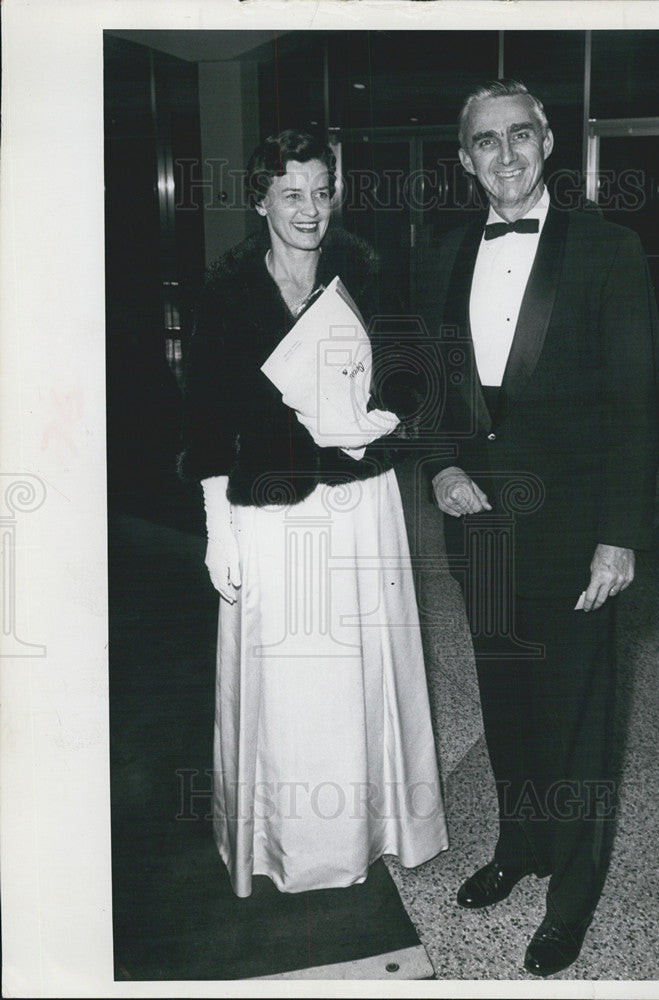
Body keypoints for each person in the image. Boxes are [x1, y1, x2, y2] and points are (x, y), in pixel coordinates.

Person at [422, 81, 659, 976]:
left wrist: (621, 533)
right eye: (487, 142)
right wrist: (440, 465)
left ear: (549, 140)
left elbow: (636, 401)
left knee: (579, 718)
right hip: (480, 527)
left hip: (574, 533)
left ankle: (573, 891)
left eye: (522, 135)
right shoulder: (444, 252)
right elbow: (432, 387)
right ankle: (520, 845)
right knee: (506, 701)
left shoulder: (608, 249)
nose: (507, 155)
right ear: (465, 158)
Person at [179, 128, 448, 898]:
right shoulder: (227, 293)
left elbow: (411, 368)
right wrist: (215, 528)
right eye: (291, 193)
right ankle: (291, 844)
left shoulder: (367, 272)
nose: (310, 209)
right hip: (272, 511)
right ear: (260, 198)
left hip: (361, 503)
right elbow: (203, 420)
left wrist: (385, 418)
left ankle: (373, 832)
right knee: (293, 683)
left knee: (362, 677)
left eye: (322, 192)